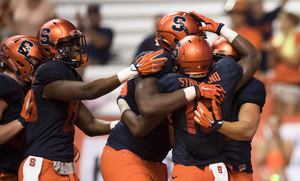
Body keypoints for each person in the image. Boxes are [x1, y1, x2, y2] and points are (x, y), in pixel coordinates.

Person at [109, 11, 261, 180]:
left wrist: (122, 102)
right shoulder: (225, 74)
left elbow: (148, 116)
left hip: (185, 164)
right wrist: (220, 28)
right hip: (215, 167)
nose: (203, 39)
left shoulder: (171, 81)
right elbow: (253, 56)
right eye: (197, 35)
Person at [16, 18, 168, 181]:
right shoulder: (49, 71)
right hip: (42, 165)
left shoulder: (68, 77)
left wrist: (121, 125)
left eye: (76, 43)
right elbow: (88, 91)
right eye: (70, 44)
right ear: (52, 49)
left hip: (64, 167)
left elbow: (90, 125)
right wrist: (131, 71)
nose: (76, 48)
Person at [194, 36, 266, 181]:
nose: (222, 67)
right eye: (217, 61)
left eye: (228, 63)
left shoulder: (251, 85)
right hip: (202, 165)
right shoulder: (200, 81)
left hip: (235, 166)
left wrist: (216, 124)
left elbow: (247, 130)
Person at [0, 35, 46, 181]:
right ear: (19, 62)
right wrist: (21, 121)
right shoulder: (5, 85)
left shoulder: (22, 89)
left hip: (14, 171)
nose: (38, 68)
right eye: (34, 62)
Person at [267, 11, 300, 116]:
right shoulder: (275, 39)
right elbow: (271, 65)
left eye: (284, 20)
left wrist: (277, 52)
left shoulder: (297, 37)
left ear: (291, 22)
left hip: (291, 82)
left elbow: (295, 61)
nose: (280, 23)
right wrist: (271, 53)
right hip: (277, 81)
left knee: (290, 118)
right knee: (278, 118)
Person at [246, 0, 288, 73]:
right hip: (255, 50)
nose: (260, 7)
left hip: (267, 53)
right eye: (257, 5)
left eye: (261, 5)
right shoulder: (248, 21)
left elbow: (280, 7)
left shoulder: (267, 17)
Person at [224, 0, 263, 77]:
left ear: (245, 16)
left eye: (239, 14)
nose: (235, 17)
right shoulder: (223, 33)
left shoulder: (254, 34)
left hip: (249, 79)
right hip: (228, 80)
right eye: (233, 13)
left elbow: (250, 57)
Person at [256, 114, 293, 181]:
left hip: (281, 176)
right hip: (267, 177)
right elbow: (259, 162)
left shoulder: (286, 143)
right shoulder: (262, 143)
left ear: (280, 126)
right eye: (271, 125)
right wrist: (267, 146)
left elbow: (287, 162)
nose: (274, 129)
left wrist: (279, 144)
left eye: (276, 125)